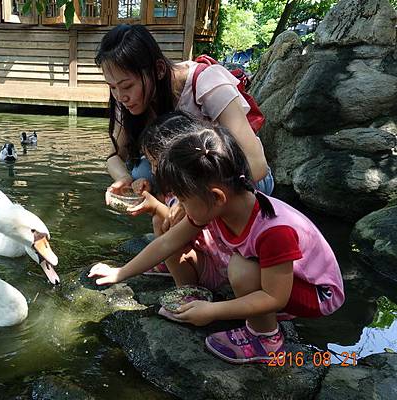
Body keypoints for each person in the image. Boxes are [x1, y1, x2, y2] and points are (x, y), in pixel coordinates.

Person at [88, 119, 345, 364]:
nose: (180, 207)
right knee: (193, 249)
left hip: (314, 291)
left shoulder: (274, 231)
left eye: (183, 199)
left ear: (216, 196)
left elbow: (274, 297)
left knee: (242, 269)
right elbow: (167, 243)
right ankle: (192, 298)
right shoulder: (218, 206)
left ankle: (265, 337)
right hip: (274, 277)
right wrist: (120, 272)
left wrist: (213, 312)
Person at [95, 24, 274, 273]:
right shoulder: (125, 99)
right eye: (112, 87)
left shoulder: (206, 81)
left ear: (157, 70)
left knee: (159, 183)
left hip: (240, 181)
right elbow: (115, 156)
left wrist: (188, 198)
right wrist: (123, 179)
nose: (120, 96)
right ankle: (178, 245)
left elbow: (257, 164)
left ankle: (194, 242)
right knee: (140, 174)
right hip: (188, 189)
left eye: (126, 86)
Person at [129, 112, 231, 289]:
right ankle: (179, 281)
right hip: (206, 260)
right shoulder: (177, 189)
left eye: (156, 162)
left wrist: (154, 207)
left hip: (218, 265)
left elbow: (176, 227)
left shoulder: (198, 196)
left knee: (161, 225)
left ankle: (187, 291)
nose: (153, 170)